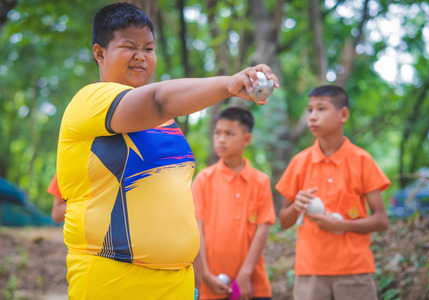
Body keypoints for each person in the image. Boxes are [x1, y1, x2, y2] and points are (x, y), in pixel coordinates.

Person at [56, 3, 279, 300]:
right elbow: (158, 99)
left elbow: (178, 199)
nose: (141, 56)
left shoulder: (165, 123)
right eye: (129, 46)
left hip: (179, 283)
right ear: (99, 53)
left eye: (149, 48)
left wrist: (196, 271)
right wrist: (229, 84)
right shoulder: (89, 100)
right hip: (114, 280)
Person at [276, 85, 390, 300]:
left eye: (321, 109)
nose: (312, 116)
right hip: (310, 273)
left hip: (354, 271)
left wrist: (342, 226)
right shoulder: (299, 162)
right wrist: (296, 206)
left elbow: (381, 220)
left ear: (343, 115)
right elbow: (284, 221)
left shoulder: (362, 160)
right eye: (309, 110)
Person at [192, 107, 276, 300]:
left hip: (251, 284)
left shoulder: (260, 181)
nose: (221, 139)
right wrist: (205, 273)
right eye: (217, 133)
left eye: (229, 134)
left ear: (246, 139)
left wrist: (245, 274)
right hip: (210, 284)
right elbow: (197, 228)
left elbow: (262, 229)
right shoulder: (204, 179)